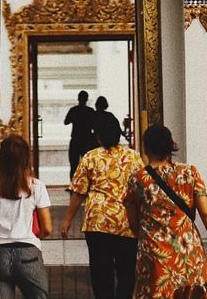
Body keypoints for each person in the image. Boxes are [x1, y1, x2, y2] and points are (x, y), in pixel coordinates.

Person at [125, 124, 207, 299]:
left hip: (155, 256)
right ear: (172, 145)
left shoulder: (137, 180)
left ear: (145, 148)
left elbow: (132, 223)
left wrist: (147, 239)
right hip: (189, 253)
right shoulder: (190, 173)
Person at [59, 120, 144, 299]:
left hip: (97, 222)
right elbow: (142, 190)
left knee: (100, 271)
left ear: (98, 137)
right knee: (126, 270)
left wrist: (67, 220)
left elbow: (79, 192)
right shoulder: (134, 157)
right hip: (126, 221)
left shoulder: (91, 157)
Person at [0, 135, 53, 299]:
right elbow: (47, 228)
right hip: (28, 255)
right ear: (26, 159)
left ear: (1, 158)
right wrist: (31, 238)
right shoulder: (36, 187)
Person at [64, 90, 96, 180]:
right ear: (87, 99)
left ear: (78, 99)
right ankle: (87, 183)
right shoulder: (90, 111)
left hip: (76, 138)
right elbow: (94, 125)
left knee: (74, 164)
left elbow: (66, 122)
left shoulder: (74, 110)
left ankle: (73, 183)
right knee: (87, 164)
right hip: (87, 139)